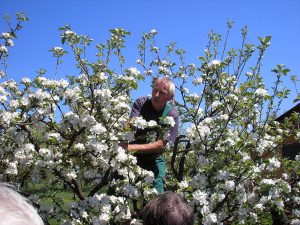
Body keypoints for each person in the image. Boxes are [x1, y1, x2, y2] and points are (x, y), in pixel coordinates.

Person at [127, 77, 179, 193]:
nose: (156, 95)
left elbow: (160, 145)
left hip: (153, 159)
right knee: (118, 187)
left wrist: (128, 148)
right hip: (131, 158)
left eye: (162, 93)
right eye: (155, 90)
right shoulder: (141, 103)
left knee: (157, 196)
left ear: (170, 97)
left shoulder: (171, 115)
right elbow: (130, 126)